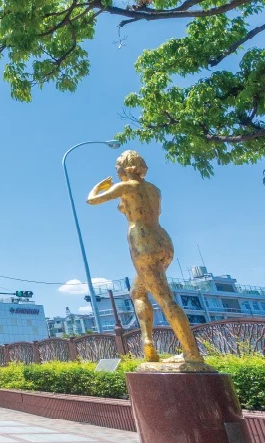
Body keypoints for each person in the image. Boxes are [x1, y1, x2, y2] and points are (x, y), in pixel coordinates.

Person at [86, 150, 205, 365]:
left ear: (123, 168)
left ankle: (192, 353)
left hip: (142, 242)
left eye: (117, 167)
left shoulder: (126, 187)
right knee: (138, 291)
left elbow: (91, 200)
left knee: (164, 297)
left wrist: (100, 186)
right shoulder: (154, 190)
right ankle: (147, 341)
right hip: (163, 240)